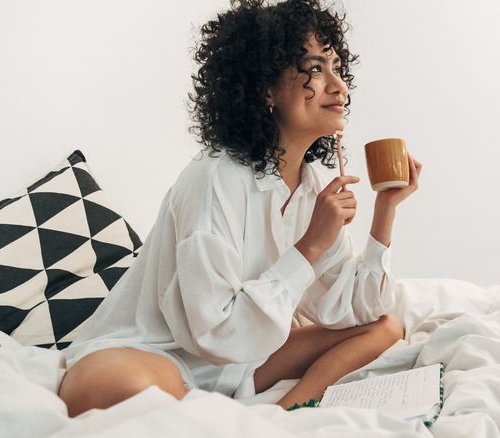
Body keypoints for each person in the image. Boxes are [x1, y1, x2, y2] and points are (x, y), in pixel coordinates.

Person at [58, 0, 421, 417]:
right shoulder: (215, 177)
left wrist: (386, 209)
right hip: (159, 354)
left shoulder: (316, 185)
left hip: (242, 364)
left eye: (337, 67)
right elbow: (213, 332)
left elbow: (351, 307)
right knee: (107, 387)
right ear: (266, 88)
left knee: (385, 326)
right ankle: (207, 413)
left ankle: (282, 414)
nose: (339, 86)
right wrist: (310, 247)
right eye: (316, 69)